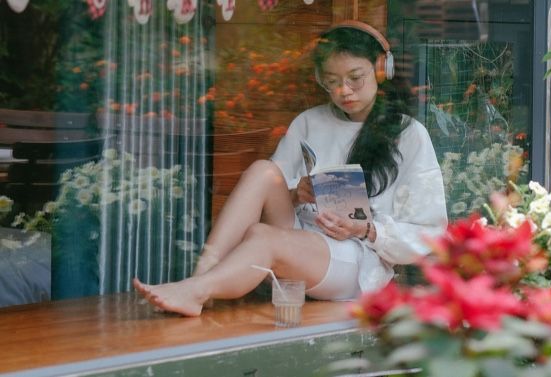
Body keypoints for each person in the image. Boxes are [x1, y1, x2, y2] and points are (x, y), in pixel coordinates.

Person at [133, 21, 447, 317]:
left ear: (382, 70)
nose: (344, 91)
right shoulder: (309, 121)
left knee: (263, 237)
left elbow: (430, 233)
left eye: (355, 78)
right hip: (302, 236)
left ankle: (197, 292)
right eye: (332, 81)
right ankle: (201, 280)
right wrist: (297, 193)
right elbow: (276, 191)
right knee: (262, 171)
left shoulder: (409, 134)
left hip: (356, 257)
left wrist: (366, 229)